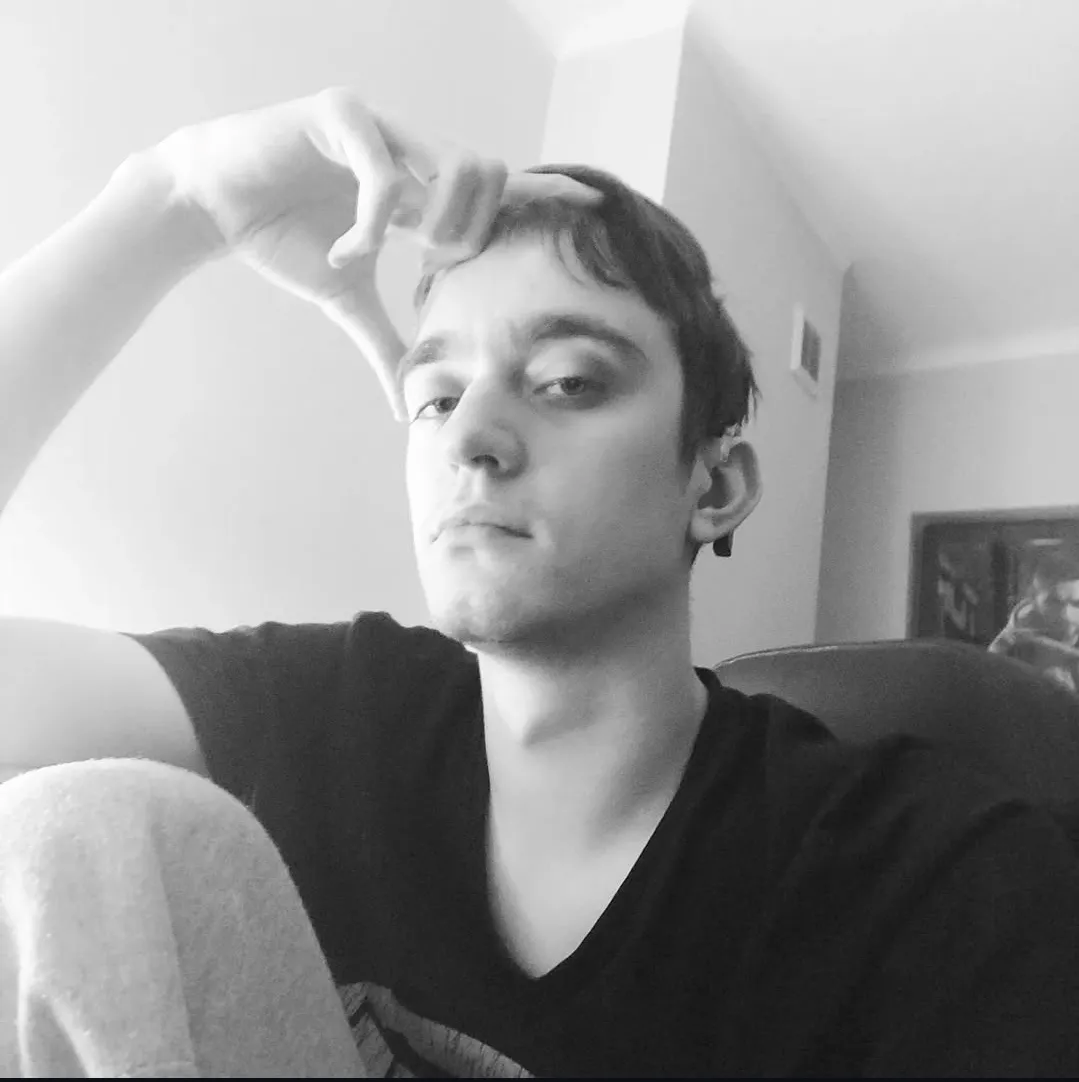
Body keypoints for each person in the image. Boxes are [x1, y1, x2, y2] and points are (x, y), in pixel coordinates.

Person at [1, 86, 1078, 1078]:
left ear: (713, 486)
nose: (469, 435)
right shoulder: (331, 707)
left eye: (566, 381)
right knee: (84, 829)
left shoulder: (930, 881)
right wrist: (169, 201)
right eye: (434, 395)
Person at [989, 546, 1079, 693]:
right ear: (1032, 599)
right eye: (1054, 602)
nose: (1066, 615)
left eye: (1077, 603)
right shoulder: (1006, 650)